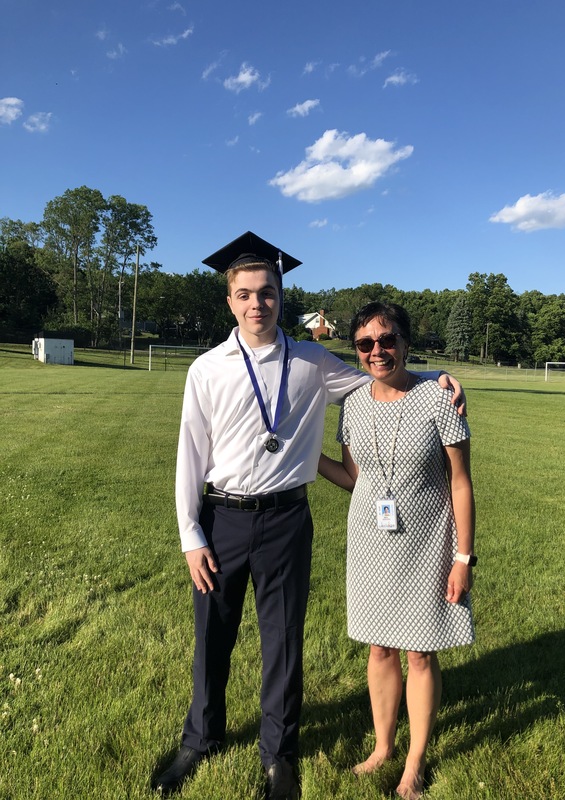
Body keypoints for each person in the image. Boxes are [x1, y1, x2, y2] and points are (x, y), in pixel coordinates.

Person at [153, 233, 466, 800]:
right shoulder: (207, 368)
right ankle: (200, 740)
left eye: (267, 293)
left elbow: (381, 378)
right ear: (229, 301)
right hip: (221, 518)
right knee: (212, 637)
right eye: (245, 294)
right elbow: (189, 453)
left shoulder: (312, 361)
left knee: (283, 642)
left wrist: (437, 382)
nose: (257, 304)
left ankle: (280, 754)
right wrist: (189, 534)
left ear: (280, 297)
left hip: (286, 520)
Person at [318, 301, 475, 800]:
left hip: (428, 543)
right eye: (365, 343)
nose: (377, 351)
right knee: (379, 648)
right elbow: (352, 478)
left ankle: (414, 763)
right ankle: (383, 745)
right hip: (369, 541)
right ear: (356, 350)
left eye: (387, 340)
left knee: (420, 653)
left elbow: (461, 484)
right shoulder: (354, 404)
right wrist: (306, 458)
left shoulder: (438, 400)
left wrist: (463, 558)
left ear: (406, 343)